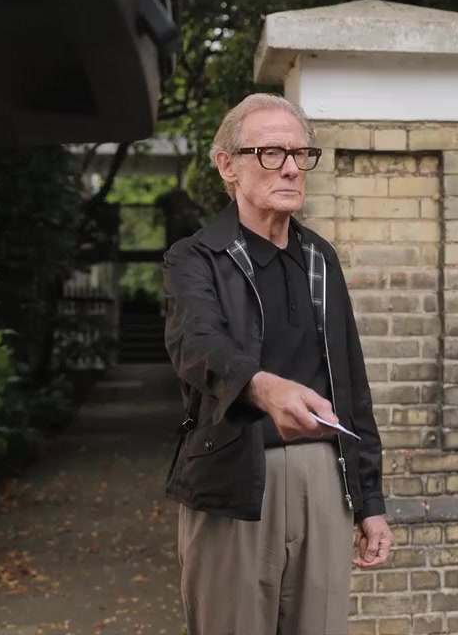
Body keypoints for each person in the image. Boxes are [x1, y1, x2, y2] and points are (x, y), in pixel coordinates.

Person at [162, 93, 392, 635]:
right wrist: (264, 388)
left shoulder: (320, 258)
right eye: (270, 152)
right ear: (228, 166)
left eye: (300, 153)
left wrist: (370, 502)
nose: (290, 167)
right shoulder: (195, 257)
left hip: (324, 478)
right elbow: (197, 345)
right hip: (233, 477)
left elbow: (351, 384)